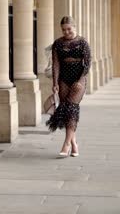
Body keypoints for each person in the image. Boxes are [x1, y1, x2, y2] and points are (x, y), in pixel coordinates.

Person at [47, 16, 91, 157]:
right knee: (67, 111)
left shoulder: (83, 42)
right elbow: (56, 64)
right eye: (63, 30)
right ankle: (74, 144)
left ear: (75, 27)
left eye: (69, 29)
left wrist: (80, 79)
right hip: (63, 80)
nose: (66, 32)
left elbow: (87, 63)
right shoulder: (58, 44)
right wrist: (55, 83)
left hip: (79, 80)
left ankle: (66, 144)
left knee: (72, 107)